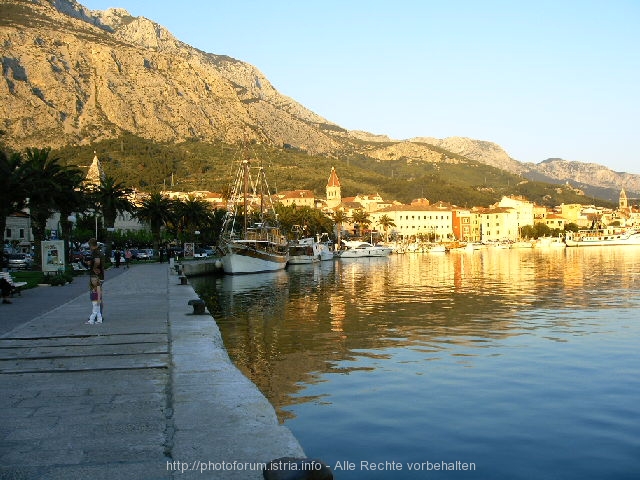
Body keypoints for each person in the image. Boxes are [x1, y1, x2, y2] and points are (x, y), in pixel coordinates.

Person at [88, 238, 105, 319]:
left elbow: (97, 261)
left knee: (96, 297)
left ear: (91, 245)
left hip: (96, 277)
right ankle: (99, 314)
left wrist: (94, 267)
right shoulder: (99, 252)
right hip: (100, 276)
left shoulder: (95, 252)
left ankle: (97, 315)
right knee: (98, 296)